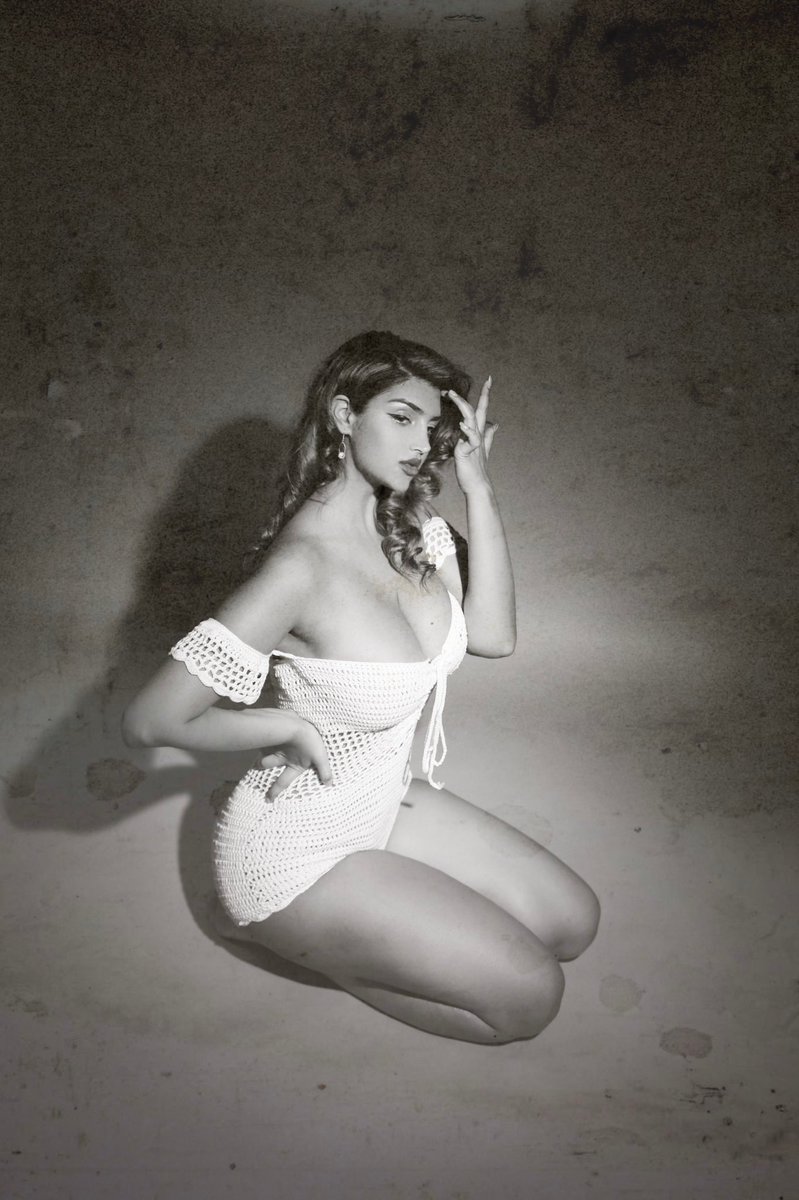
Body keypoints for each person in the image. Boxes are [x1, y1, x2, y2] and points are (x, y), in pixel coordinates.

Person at [122, 330, 599, 1044]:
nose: (421, 443)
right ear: (344, 415)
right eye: (400, 417)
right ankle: (286, 937)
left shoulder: (410, 525)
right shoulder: (299, 569)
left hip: (379, 800)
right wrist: (286, 727)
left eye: (431, 426)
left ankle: (354, 932)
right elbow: (150, 720)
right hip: (295, 854)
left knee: (574, 924)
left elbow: (494, 636)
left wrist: (478, 487)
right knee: (530, 1002)